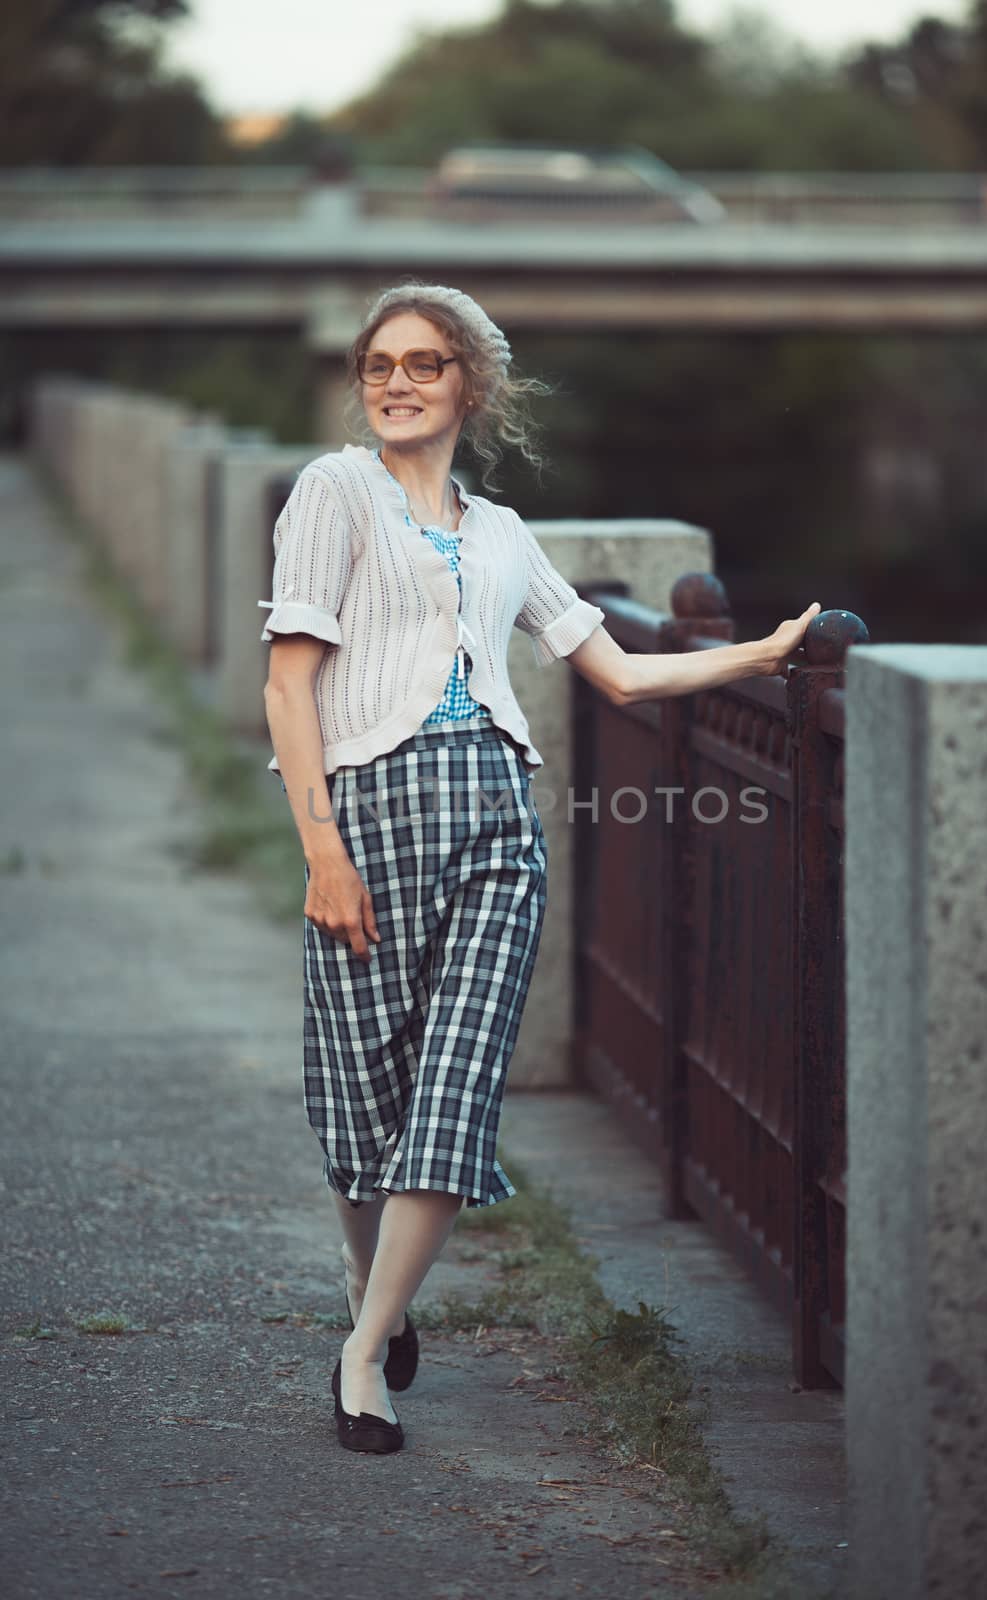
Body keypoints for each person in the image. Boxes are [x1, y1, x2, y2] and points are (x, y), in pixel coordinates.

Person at [259, 282, 820, 1455]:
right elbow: (289, 682)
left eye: (423, 364)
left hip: (494, 825)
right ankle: (376, 1290)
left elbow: (614, 670)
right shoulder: (336, 490)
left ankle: (363, 1355)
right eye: (379, 367)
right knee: (362, 1107)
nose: (397, 383)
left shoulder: (506, 534)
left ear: (469, 383)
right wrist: (321, 849)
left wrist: (756, 654)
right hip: (366, 816)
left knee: (454, 1094)